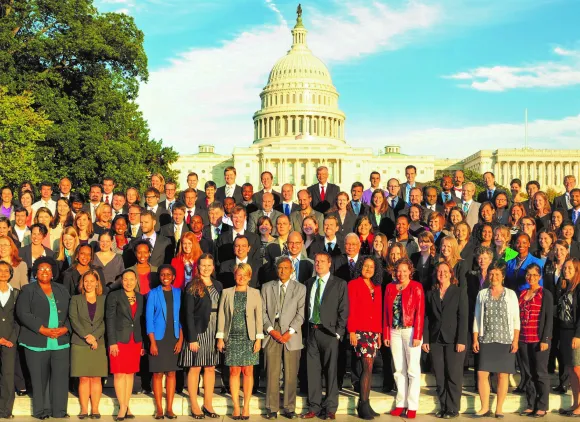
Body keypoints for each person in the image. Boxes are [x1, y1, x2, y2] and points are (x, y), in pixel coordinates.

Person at [17, 257, 71, 419]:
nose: (45, 272)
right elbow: (23, 313)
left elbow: (72, 312)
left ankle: (59, 411)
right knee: (39, 379)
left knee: (60, 378)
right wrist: (42, 329)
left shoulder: (62, 290)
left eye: (48, 269)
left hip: (60, 342)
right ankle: (41, 411)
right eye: (41, 269)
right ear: (35, 272)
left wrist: (65, 328)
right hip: (36, 341)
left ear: (53, 273)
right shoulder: (28, 290)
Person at [301, 252, 348, 421]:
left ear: (329, 264)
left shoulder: (339, 284)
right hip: (312, 332)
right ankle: (314, 407)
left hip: (329, 333)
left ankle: (330, 408)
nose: (318, 264)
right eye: (316, 261)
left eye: (322, 261)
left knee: (331, 372)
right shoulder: (309, 283)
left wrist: (338, 333)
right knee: (312, 372)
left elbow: (344, 310)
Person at [472, 261, 520, 418]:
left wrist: (515, 340)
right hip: (486, 338)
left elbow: (515, 319)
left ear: (503, 277)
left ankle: (499, 408)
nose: (494, 277)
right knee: (482, 374)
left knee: (502, 375)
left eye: (497, 274)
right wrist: (475, 338)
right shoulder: (482, 294)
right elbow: (477, 318)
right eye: (491, 274)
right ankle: (484, 407)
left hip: (505, 340)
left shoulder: (511, 294)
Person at [216, 263, 263, 420]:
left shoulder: (256, 293)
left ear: (249, 277)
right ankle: (236, 406)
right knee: (234, 371)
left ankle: (246, 406)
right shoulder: (226, 292)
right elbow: (221, 315)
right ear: (234, 275)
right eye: (239, 274)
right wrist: (220, 338)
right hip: (232, 337)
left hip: (249, 338)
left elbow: (258, 318)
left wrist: (258, 339)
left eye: (245, 275)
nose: (241, 278)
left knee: (248, 371)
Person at [261, 257, 306, 420]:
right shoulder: (267, 287)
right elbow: (262, 312)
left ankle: (289, 407)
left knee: (291, 372)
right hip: (272, 332)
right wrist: (271, 330)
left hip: (291, 334)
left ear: (292, 270)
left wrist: (290, 332)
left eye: (286, 268)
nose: (282, 271)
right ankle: (271, 408)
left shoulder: (300, 288)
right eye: (280, 267)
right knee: (272, 372)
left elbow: (301, 314)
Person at [423, 261, 468, 419]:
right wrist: (426, 339)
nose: (442, 274)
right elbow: (427, 318)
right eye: (439, 271)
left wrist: (461, 340)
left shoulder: (458, 291)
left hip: (454, 339)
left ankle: (453, 408)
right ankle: (443, 406)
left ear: (451, 273)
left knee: (453, 375)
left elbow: (463, 317)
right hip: (436, 339)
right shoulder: (431, 293)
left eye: (445, 271)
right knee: (440, 376)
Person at [180, 254, 222, 419]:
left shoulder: (218, 285)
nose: (206, 268)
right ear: (198, 267)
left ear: (213, 267)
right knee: (195, 367)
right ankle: (195, 405)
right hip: (198, 331)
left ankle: (208, 404)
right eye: (203, 265)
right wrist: (192, 337)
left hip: (214, 329)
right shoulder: (192, 285)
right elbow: (188, 313)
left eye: (209, 265)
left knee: (210, 367)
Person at [383, 257, 424, 419]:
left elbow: (420, 313)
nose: (401, 274)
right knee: (399, 369)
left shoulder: (416, 287)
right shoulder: (390, 287)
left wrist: (418, 335)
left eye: (404, 271)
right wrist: (386, 333)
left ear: (410, 272)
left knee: (413, 369)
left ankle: (412, 405)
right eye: (398, 270)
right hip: (394, 331)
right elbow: (386, 313)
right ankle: (401, 403)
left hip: (411, 331)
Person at [106, 269, 144, 421]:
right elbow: (110, 320)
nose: (129, 282)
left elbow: (141, 321)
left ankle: (126, 405)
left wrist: (142, 344)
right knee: (119, 373)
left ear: (136, 281)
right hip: (119, 340)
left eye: (132, 279)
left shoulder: (141, 297)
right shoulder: (114, 296)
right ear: (121, 281)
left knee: (130, 374)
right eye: (125, 279)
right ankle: (122, 407)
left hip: (135, 341)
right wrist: (112, 342)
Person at [347, 257, 383, 420]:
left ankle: (367, 403)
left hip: (373, 332)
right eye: (365, 266)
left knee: (369, 367)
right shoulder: (353, 284)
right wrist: (352, 331)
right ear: (360, 267)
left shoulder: (377, 287)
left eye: (371, 267)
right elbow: (351, 308)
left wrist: (379, 334)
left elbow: (378, 312)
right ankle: (362, 404)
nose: (368, 269)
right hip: (360, 331)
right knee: (367, 366)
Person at [146, 265, 184, 419]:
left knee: (171, 373)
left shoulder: (178, 293)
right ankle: (159, 409)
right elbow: (149, 320)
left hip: (174, 338)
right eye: (162, 274)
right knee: (157, 374)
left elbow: (182, 319)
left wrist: (180, 340)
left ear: (173, 277)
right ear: (159, 277)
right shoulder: (153, 293)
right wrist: (153, 343)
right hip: (158, 339)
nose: (165, 277)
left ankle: (169, 408)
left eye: (168, 274)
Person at [69, 270, 107, 419]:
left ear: (97, 282)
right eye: (86, 281)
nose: (89, 284)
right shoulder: (75, 299)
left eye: (92, 281)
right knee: (84, 377)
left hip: (99, 343)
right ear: (82, 283)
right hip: (80, 343)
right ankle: (84, 409)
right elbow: (74, 320)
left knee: (96, 377)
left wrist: (95, 337)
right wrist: (88, 337)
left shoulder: (104, 299)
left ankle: (95, 409)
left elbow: (106, 321)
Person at [517, 264, 553, 417]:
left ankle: (542, 405)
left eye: (534, 275)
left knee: (540, 372)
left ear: (539, 277)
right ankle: (531, 403)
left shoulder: (545, 294)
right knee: (528, 373)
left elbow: (548, 318)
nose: (531, 278)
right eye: (528, 275)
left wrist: (545, 338)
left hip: (539, 340)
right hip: (523, 339)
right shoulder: (522, 293)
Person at [555, 258, 580, 415]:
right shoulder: (565, 287)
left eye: (570, 268)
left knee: (578, 369)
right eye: (565, 268)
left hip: (575, 333)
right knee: (570, 370)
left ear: (577, 269)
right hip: (564, 332)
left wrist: (578, 335)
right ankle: (575, 403)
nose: (566, 270)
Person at [544, 240, 570, 393]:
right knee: (551, 345)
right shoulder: (548, 266)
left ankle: (564, 382)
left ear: (567, 251)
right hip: (551, 311)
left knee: (563, 350)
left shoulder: (570, 266)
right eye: (556, 249)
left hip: (565, 314)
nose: (559, 252)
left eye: (562, 249)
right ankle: (549, 376)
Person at [0, 260, 20, 418]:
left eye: (6, 271)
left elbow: (18, 319)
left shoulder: (16, 293)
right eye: (0, 270)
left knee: (7, 376)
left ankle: (6, 410)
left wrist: (11, 339)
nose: (3, 274)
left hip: (10, 340)